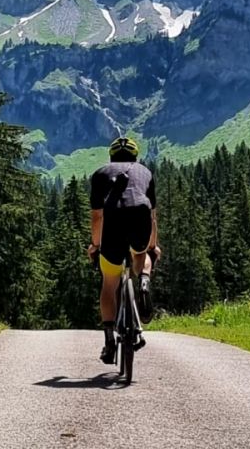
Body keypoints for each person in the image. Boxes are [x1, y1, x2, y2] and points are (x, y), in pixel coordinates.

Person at [88, 136, 159, 364]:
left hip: (113, 224)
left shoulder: (100, 174)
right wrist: (153, 245)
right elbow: (152, 216)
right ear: (135, 156)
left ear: (111, 156)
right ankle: (145, 281)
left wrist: (96, 245)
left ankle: (109, 340)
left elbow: (97, 216)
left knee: (110, 283)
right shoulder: (145, 173)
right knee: (142, 255)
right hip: (140, 217)